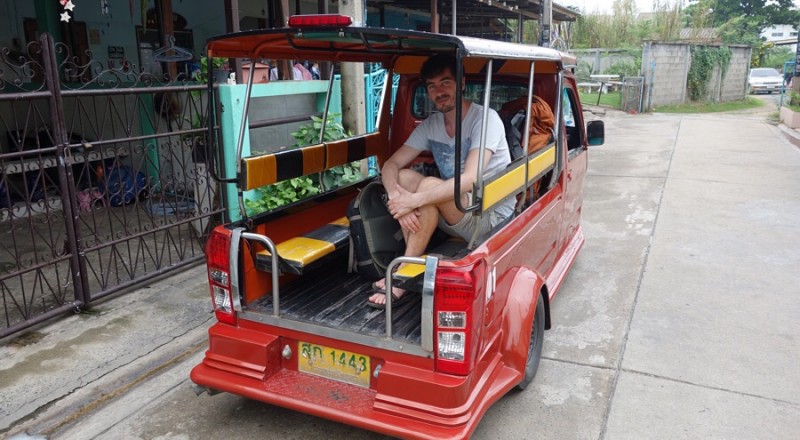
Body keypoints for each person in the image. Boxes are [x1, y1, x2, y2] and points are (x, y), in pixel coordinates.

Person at [367, 54, 514, 308]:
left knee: (427, 187)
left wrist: (412, 200)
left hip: (487, 215)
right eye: (432, 86)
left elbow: (469, 179)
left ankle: (403, 272)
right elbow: (391, 165)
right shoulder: (432, 124)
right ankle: (410, 260)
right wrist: (397, 200)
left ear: (462, 83)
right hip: (454, 208)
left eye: (446, 83)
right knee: (401, 178)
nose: (439, 91)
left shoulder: (485, 119)